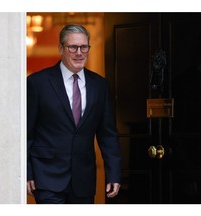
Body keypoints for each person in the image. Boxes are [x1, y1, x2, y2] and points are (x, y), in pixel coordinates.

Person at [27, 24, 121, 204]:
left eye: (84, 47)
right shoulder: (37, 83)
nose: (79, 52)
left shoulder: (99, 85)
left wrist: (114, 174)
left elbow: (108, 134)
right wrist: (27, 172)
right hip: (46, 177)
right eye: (73, 47)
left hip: (83, 180)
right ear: (61, 48)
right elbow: (27, 133)